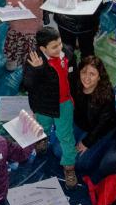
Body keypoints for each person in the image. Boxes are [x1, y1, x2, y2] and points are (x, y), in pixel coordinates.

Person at [22, 27, 79, 187]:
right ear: (42, 48)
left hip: (64, 103)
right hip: (44, 104)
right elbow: (27, 85)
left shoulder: (67, 53)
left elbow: (73, 76)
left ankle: (69, 167)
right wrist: (37, 70)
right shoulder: (34, 60)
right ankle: (42, 140)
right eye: (54, 47)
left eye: (60, 43)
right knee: (42, 126)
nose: (59, 48)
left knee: (66, 136)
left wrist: (75, 96)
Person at [69, 56, 116, 183]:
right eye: (84, 72)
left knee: (82, 164)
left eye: (92, 74)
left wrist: (87, 142)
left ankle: (108, 143)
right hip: (81, 124)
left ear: (99, 76)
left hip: (101, 129)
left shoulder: (106, 95)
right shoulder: (75, 85)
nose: (87, 77)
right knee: (58, 150)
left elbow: (102, 124)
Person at [3, 0, 48, 71]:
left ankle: (27, 69)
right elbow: (8, 7)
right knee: (12, 47)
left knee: (28, 54)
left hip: (30, 31)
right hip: (15, 28)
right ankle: (12, 60)